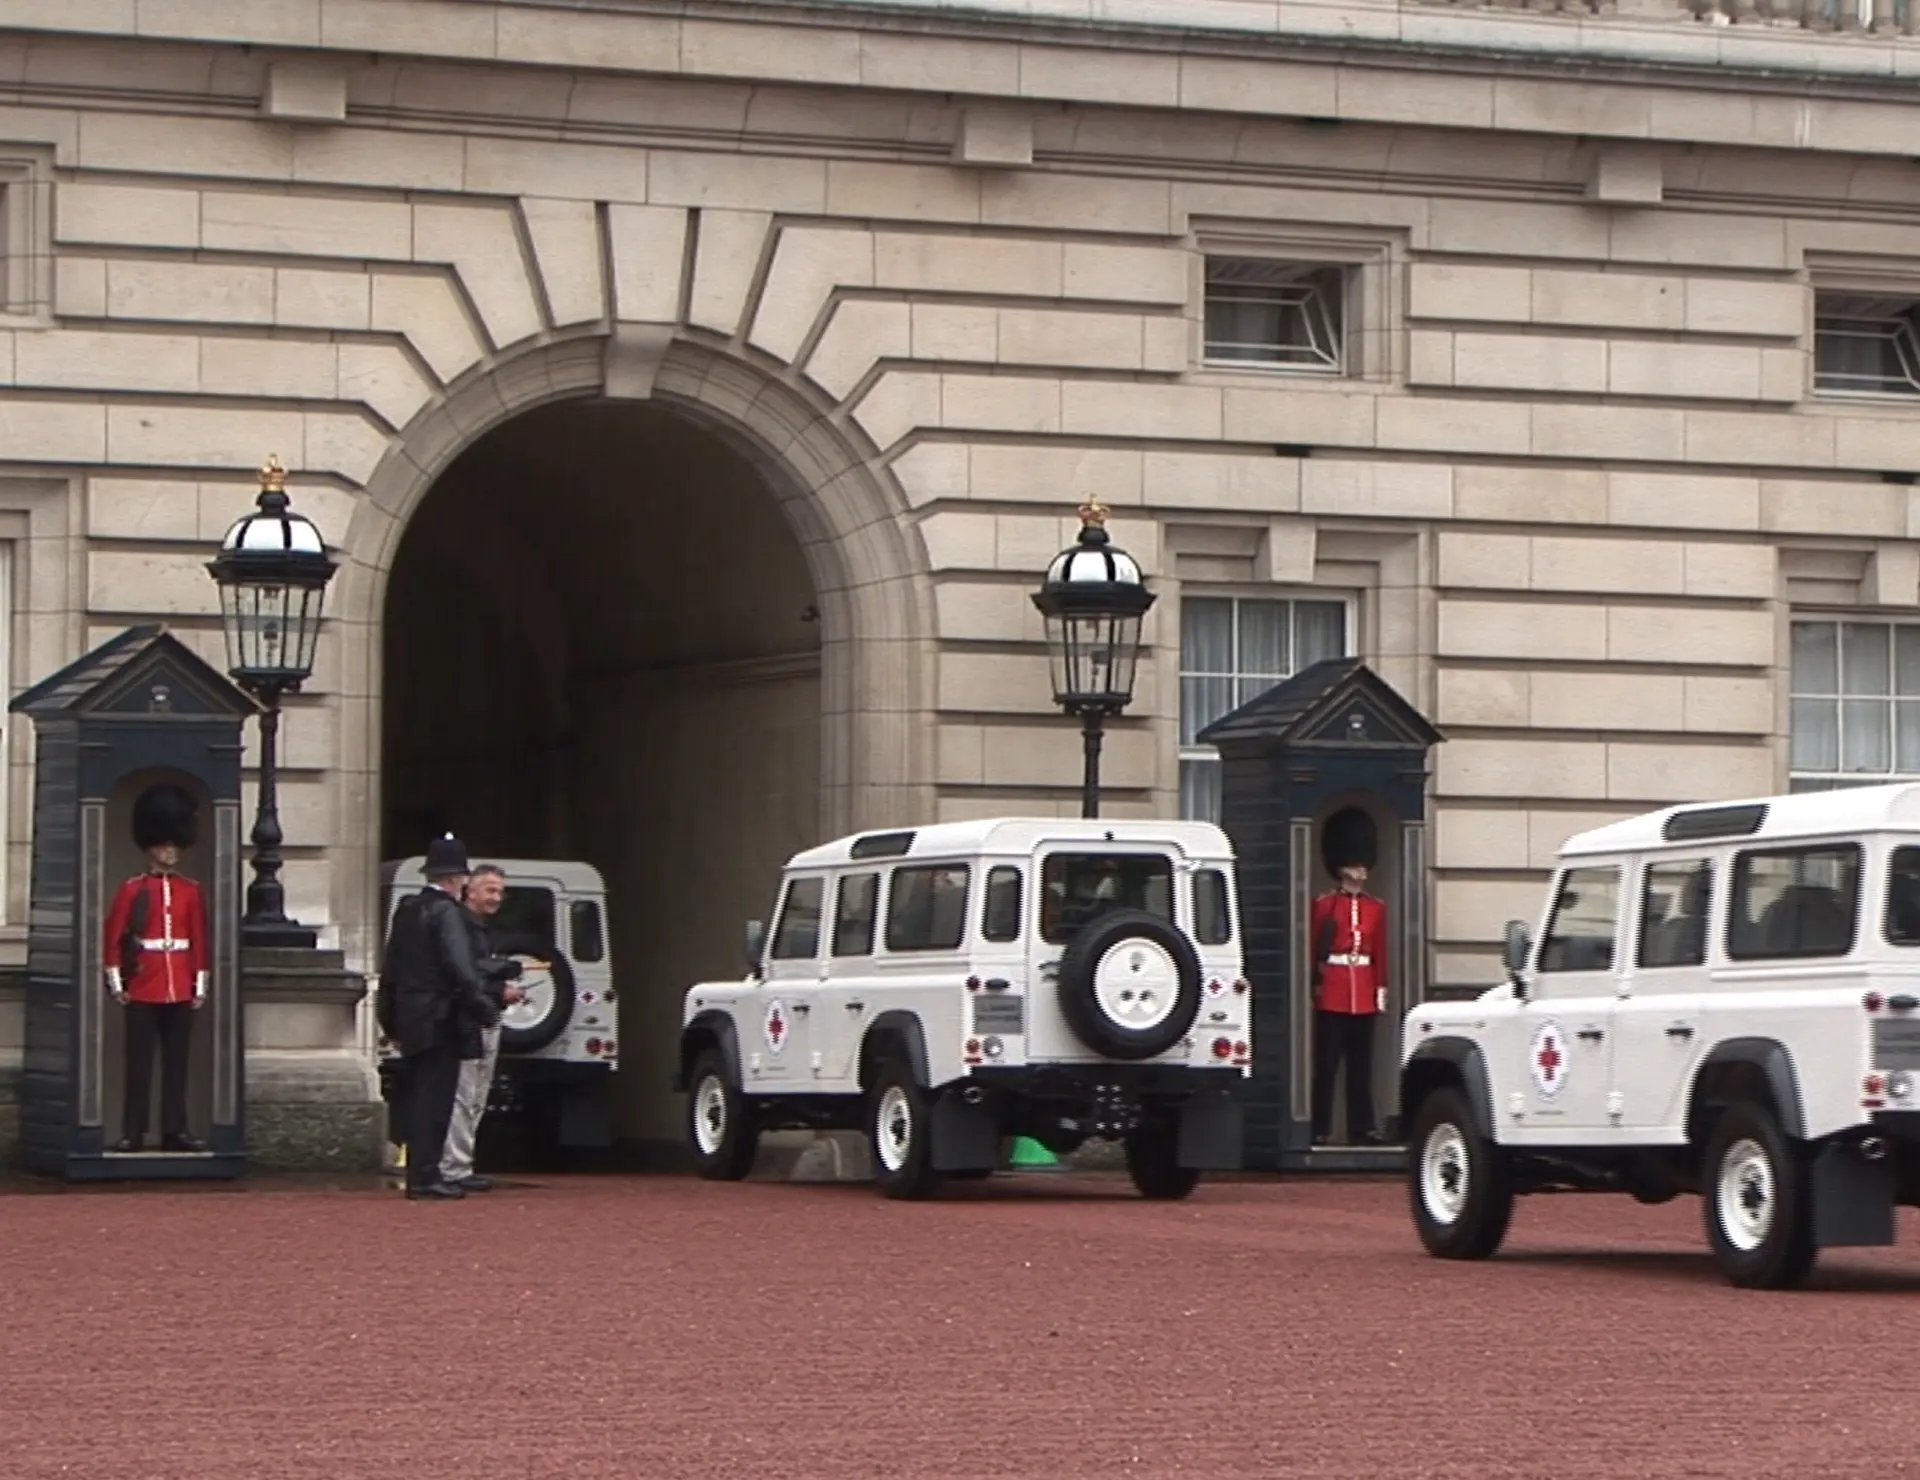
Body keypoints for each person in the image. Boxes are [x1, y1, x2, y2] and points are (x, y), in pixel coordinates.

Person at [382, 833, 495, 1200]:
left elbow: (392, 968)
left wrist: (390, 1016)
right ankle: (427, 1175)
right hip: (440, 1016)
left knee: (417, 1096)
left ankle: (421, 1170)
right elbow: (458, 965)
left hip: (411, 1015)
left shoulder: (407, 909)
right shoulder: (447, 913)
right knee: (436, 1099)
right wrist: (481, 1005)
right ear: (455, 879)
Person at [103, 784, 209, 1154]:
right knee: (139, 1065)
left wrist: (199, 983)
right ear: (150, 848)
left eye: (175, 846)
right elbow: (114, 936)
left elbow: (198, 938)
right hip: (144, 983)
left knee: (176, 1065)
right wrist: (118, 980)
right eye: (165, 846)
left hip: (179, 982)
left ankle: (174, 1129)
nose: (171, 852)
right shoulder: (132, 889)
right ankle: (133, 1131)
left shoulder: (191, 891)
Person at [436, 863, 527, 1193]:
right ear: (469, 891)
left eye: (500, 891)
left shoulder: (480, 929)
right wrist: (497, 989)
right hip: (469, 1018)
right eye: (490, 889)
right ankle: (455, 1166)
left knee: (475, 1095)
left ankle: (459, 1162)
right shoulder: (462, 927)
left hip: (484, 1015)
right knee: (465, 1094)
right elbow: (463, 974)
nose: (496, 897)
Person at [1310, 842, 1388, 1148]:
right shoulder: (1324, 905)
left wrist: (1379, 989)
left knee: (1361, 1066)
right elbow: (1313, 949)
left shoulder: (1376, 907)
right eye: (1356, 866)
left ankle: (1362, 1128)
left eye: (1364, 866)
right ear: (1342, 869)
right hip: (1333, 989)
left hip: (1364, 990)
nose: (1361, 872)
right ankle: (1320, 1127)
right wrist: (1314, 986)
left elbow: (1380, 950)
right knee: (1327, 1065)